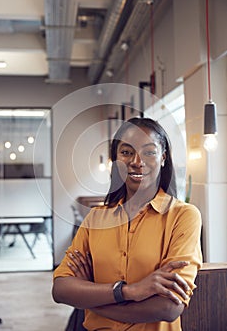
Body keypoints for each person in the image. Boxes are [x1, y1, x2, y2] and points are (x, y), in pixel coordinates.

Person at [52, 117, 202, 331]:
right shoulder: (95, 219)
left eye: (149, 152)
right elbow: (60, 289)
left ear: (163, 158)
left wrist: (91, 299)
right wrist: (129, 291)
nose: (137, 161)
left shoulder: (183, 216)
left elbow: (169, 307)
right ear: (116, 160)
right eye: (126, 152)